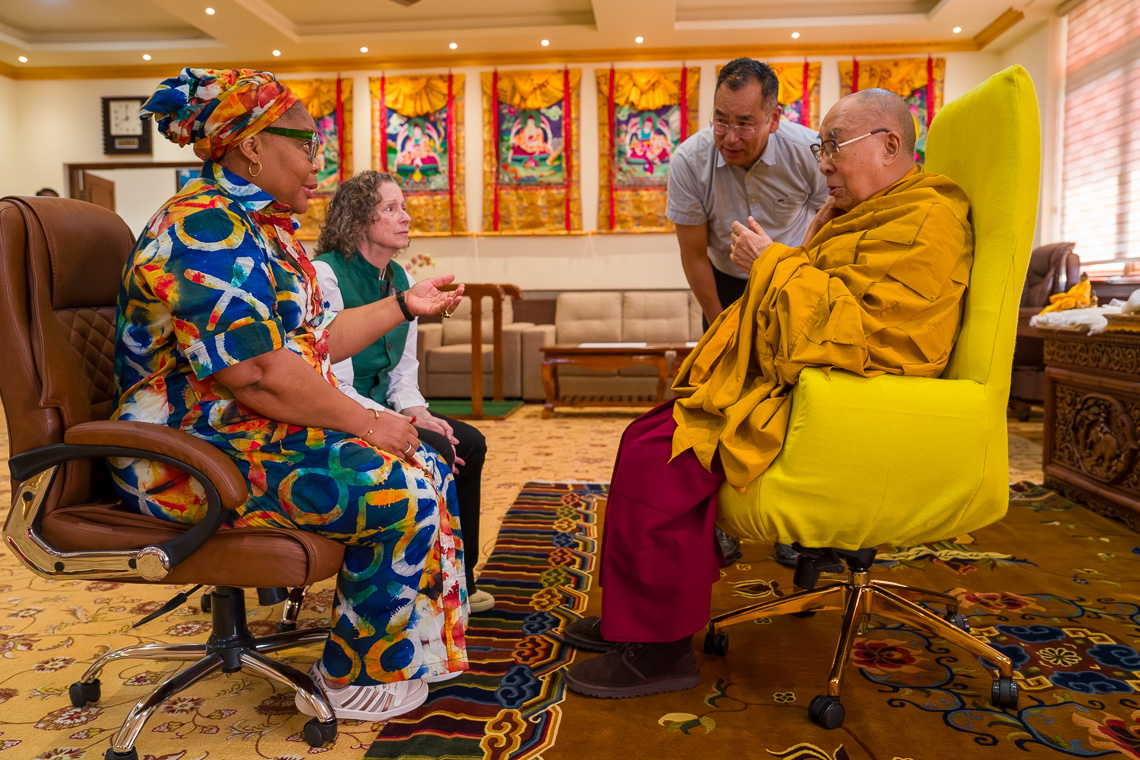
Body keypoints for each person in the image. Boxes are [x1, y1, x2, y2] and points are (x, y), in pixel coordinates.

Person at [563, 88, 974, 699]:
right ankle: (635, 622)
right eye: (821, 147)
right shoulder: (864, 211)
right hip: (807, 376)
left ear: (891, 145)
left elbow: (866, 332)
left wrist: (773, 263)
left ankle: (660, 652)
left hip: (850, 396)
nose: (824, 163)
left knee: (665, 457)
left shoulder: (927, 219)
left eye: (835, 147)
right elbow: (820, 297)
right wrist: (792, 261)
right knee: (645, 434)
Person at [110, 68, 469, 723]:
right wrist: (365, 422)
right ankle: (348, 678)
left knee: (428, 456)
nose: (317, 163)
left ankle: (407, 650)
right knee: (400, 483)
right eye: (307, 145)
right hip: (180, 453)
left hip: (240, 427)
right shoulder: (202, 227)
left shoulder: (266, 229)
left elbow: (311, 345)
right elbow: (257, 374)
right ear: (252, 145)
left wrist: (401, 304)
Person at [311, 169, 495, 615]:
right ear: (358, 221)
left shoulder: (397, 275)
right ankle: (425, 588)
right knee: (436, 446)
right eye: (391, 208)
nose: (406, 217)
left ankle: (460, 579)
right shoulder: (326, 275)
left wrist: (420, 413)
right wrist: (404, 422)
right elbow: (334, 377)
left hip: (383, 405)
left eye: (404, 206)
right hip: (341, 411)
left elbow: (402, 372)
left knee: (467, 440)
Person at [669, 58, 829, 568]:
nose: (729, 136)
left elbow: (836, 216)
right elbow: (694, 254)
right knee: (718, 403)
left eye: (744, 123)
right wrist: (722, 327)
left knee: (796, 400)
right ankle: (723, 523)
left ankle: (794, 527)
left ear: (774, 117)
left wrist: (795, 272)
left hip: (793, 277)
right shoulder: (690, 160)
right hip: (724, 281)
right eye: (721, 119)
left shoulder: (808, 151)